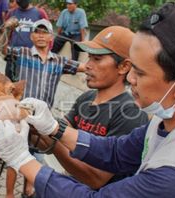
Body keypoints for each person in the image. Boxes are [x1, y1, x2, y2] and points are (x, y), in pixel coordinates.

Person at [0, 1, 175, 197]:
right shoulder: (167, 119)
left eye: (140, 73)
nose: (130, 78)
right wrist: (55, 127)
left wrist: (21, 159)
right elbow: (115, 152)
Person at [33, 26, 148, 189]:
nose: (87, 65)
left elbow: (96, 178)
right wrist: (31, 125)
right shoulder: (86, 98)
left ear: (123, 66)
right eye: (89, 58)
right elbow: (61, 129)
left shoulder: (130, 113)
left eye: (97, 59)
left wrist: (52, 141)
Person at [3, 19, 85, 198]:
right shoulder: (22, 53)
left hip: (42, 119)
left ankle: (28, 190)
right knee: (14, 157)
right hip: (21, 115)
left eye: (44, 32)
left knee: (33, 155)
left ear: (51, 37)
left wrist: (89, 49)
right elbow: (1, 48)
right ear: (31, 36)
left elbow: (85, 67)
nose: (40, 36)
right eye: (37, 32)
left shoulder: (59, 61)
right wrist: (6, 29)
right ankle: (9, 194)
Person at [4, 0, 48, 81]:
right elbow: (6, 32)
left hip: (31, 56)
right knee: (9, 82)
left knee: (27, 84)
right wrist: (5, 46)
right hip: (13, 54)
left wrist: (45, 52)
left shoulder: (39, 13)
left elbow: (48, 33)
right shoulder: (12, 13)